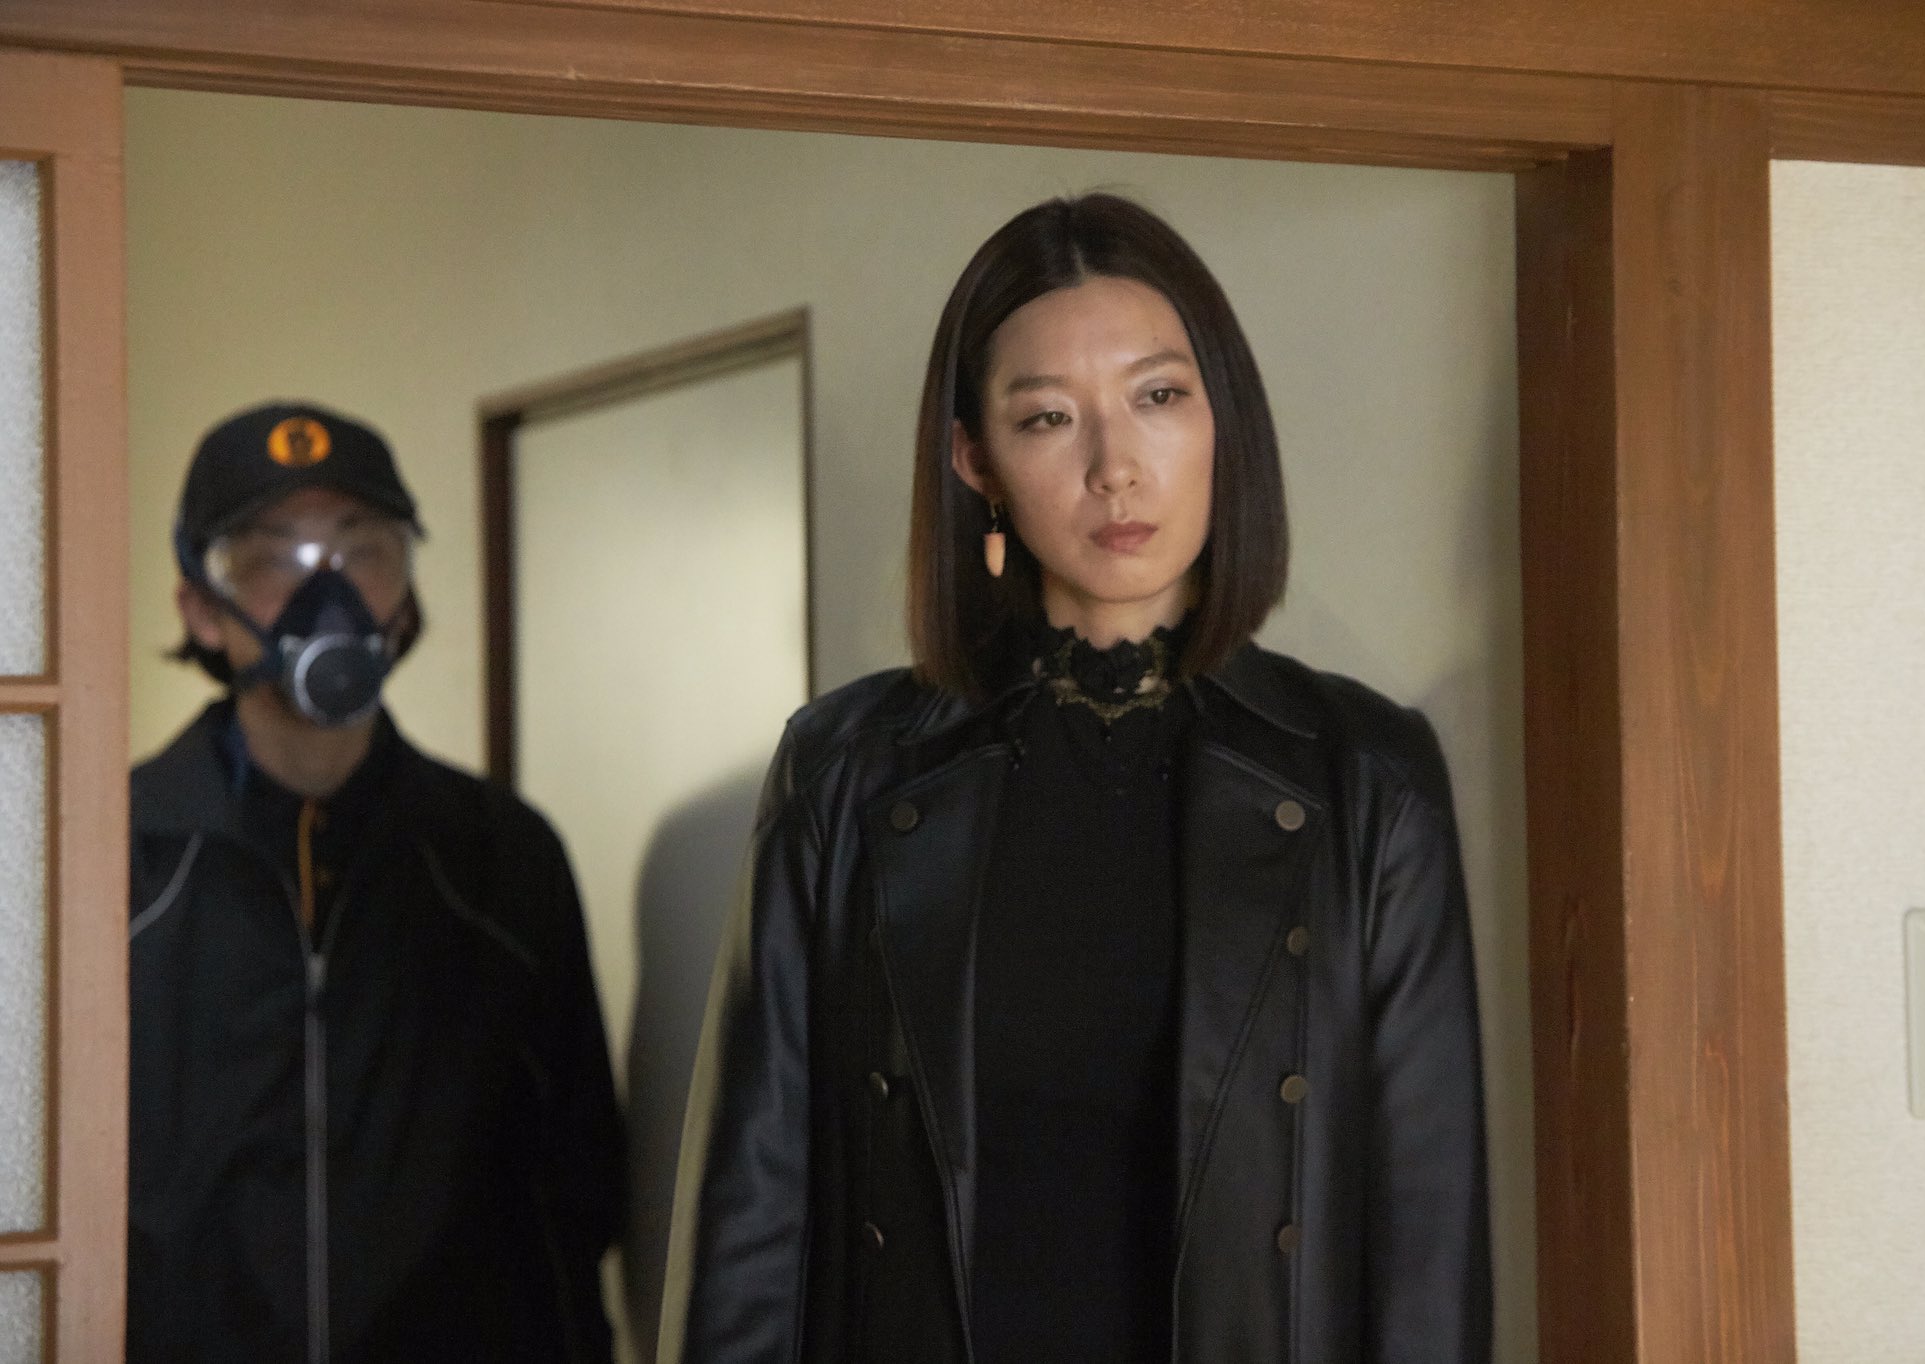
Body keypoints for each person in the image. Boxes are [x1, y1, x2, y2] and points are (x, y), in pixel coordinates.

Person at [664, 194, 1491, 1363]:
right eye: (1048, 417)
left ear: (1221, 417)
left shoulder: (1365, 776)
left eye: (1157, 397)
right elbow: (751, 1221)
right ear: (976, 461)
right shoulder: (845, 769)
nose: (1115, 468)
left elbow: (1426, 1254)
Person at [128, 401, 626, 1364]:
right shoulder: (116, 868)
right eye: (273, 557)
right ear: (199, 607)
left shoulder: (502, 860)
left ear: (406, 590)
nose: (330, 591)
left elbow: (575, 1188)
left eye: (365, 550)